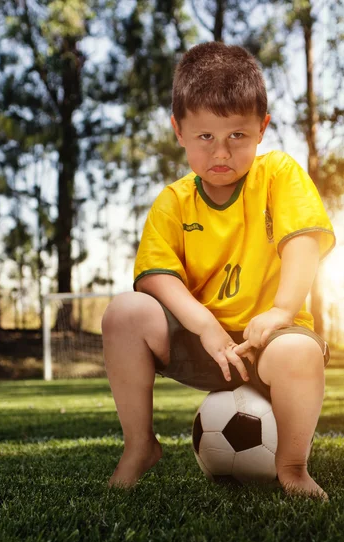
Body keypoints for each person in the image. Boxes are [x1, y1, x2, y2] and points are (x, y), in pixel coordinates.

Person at [102, 42, 335, 499]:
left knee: (299, 355)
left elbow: (303, 242)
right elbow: (156, 277)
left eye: (237, 136)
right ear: (179, 131)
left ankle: (292, 467)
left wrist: (282, 311)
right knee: (124, 313)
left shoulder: (278, 175)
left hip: (269, 343)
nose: (221, 152)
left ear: (262, 128)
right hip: (204, 346)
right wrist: (205, 326)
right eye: (205, 136)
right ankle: (139, 445)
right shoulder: (173, 201)